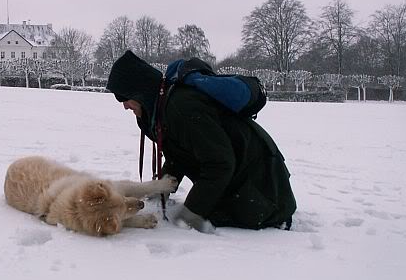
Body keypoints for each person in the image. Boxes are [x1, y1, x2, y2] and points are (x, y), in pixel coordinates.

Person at [106, 50, 297, 233]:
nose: (123, 106)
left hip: (264, 193)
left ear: (139, 92)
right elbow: (180, 155)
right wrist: (160, 189)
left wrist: (191, 213)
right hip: (247, 184)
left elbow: (220, 163)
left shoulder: (181, 108)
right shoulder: (162, 110)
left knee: (211, 214)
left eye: (124, 97)